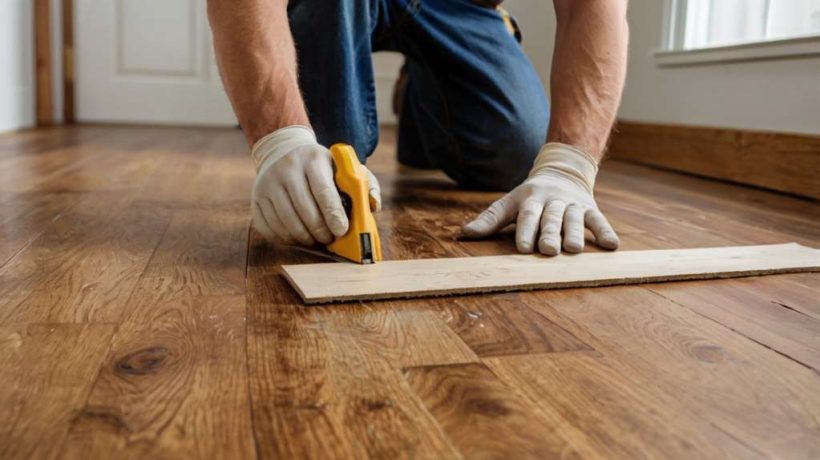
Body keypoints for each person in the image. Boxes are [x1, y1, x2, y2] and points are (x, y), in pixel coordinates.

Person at [208, 0, 627, 256]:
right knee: (328, 167)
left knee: (516, 154)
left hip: (461, 4)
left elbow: (592, 5)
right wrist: (280, 137)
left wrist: (570, 165)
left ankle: (420, 98)